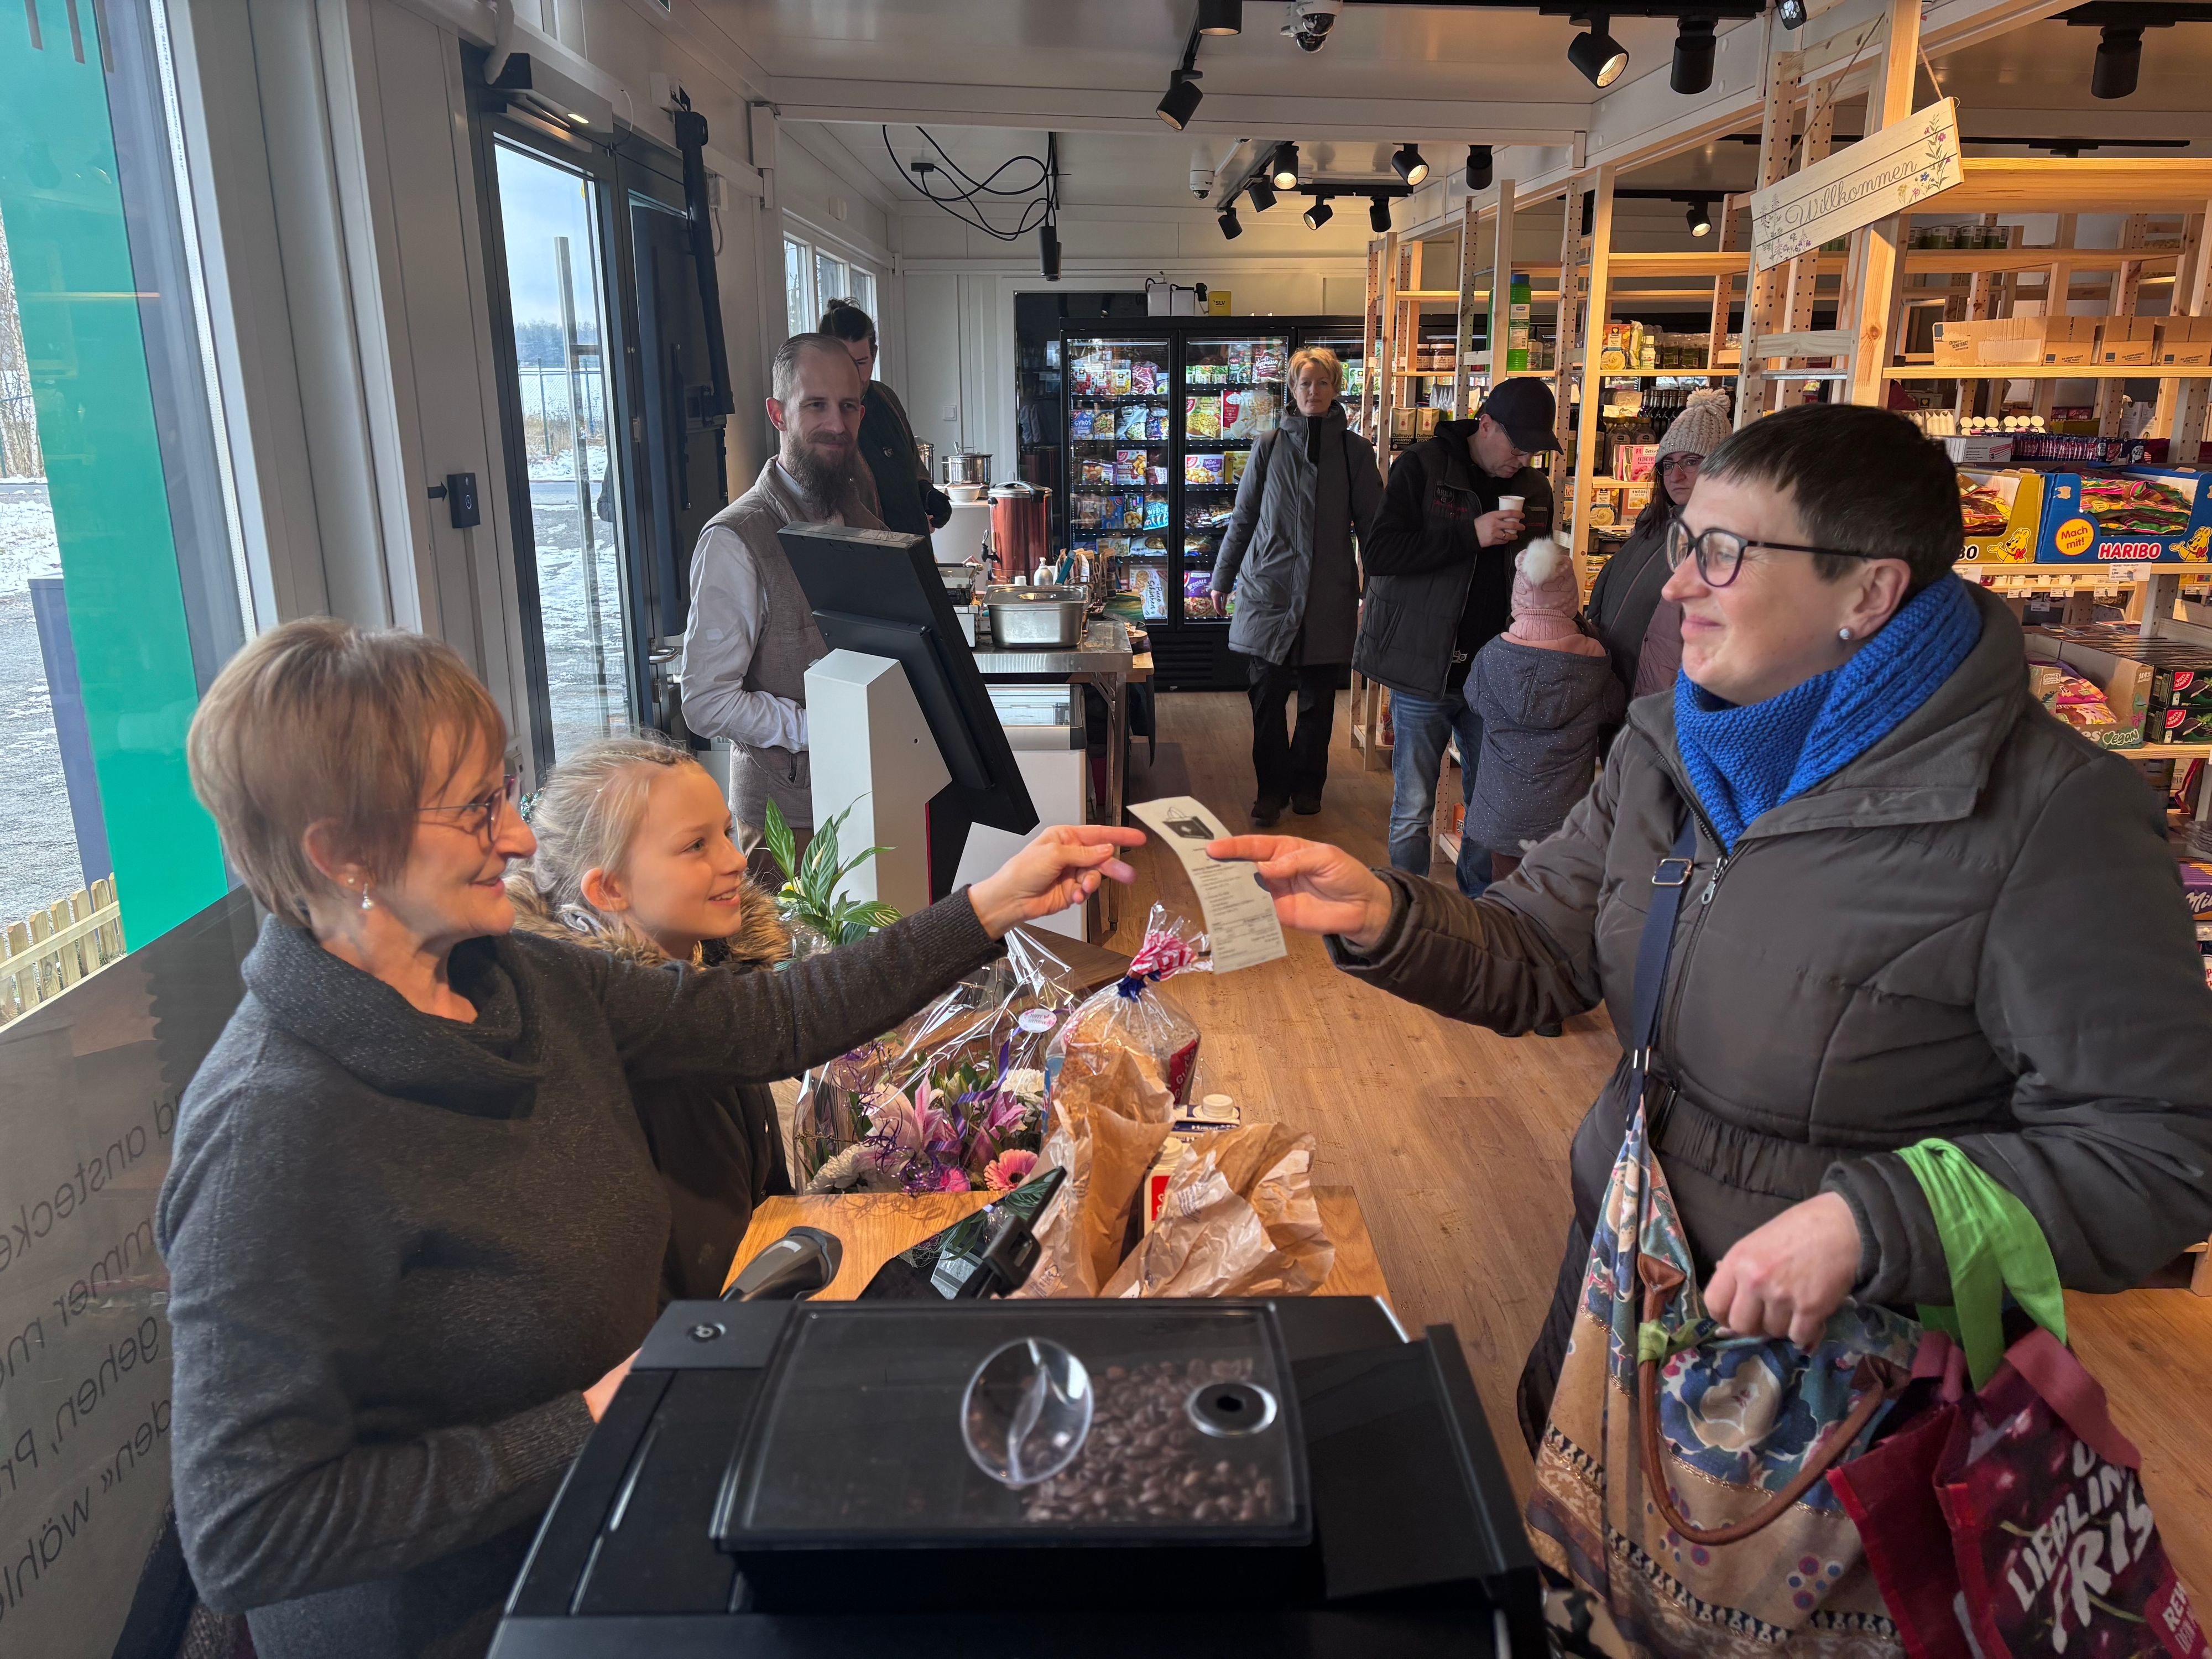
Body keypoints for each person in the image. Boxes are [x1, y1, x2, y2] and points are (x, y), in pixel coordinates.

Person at [1213, 403, 2212, 1458]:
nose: (1680, 582)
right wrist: (1391, 914)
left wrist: (1877, 1222)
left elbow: (2161, 1150)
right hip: (1621, 1287)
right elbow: (1545, 948)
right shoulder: (1667, 749)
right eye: (1688, 541)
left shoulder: (2054, 816)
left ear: (1869, 593)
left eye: (1725, 554)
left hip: (1845, 1408)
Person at [159, 618, 1143, 1659]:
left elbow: (765, 1024)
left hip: (619, 1525)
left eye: (509, 791)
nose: (522, 838)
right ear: (342, 853)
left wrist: (987, 905)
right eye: (479, 808)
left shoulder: (521, 983)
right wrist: (583, 1423)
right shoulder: (271, 1129)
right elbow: (245, 1531)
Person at [508, 733, 792, 1306]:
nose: (737, 860)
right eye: (696, 846)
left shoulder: (715, 978)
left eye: (727, 834)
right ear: (609, 888)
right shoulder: (619, 1059)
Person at [680, 333, 881, 874]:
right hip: (781, 828)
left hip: (872, 806)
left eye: (847, 407)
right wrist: (818, 728)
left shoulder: (867, 528)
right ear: (777, 413)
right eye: (815, 405)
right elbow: (705, 703)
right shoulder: (735, 539)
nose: (836, 425)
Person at [1355, 377, 1559, 896]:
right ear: (1485, 424)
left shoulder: (1535, 491)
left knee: (1486, 807)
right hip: (1425, 668)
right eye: (1518, 446)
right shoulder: (1422, 466)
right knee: (1413, 807)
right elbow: (1381, 555)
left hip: (1496, 675)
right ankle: (1408, 910)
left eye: (1535, 450)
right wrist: (1471, 535)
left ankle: (1475, 916)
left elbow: (1536, 581)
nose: (1524, 460)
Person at [1210, 345, 1383, 825]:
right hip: (1271, 589)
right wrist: (1223, 577)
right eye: (1305, 383)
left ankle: (1309, 785)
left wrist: (1378, 591)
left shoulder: (1354, 451)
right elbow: (1243, 519)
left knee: (1318, 699)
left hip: (1329, 593)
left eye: (1323, 382)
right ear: (1292, 389)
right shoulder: (1268, 446)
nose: (1314, 391)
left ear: (1335, 389)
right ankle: (1270, 791)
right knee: (1265, 697)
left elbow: (1372, 527)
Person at [1462, 538, 1623, 884]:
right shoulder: (1593, 663)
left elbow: (1474, 700)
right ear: (1571, 598)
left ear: (1518, 596)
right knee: (1554, 901)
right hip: (1564, 816)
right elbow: (1613, 707)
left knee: (1504, 895)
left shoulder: (1492, 657)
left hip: (1502, 809)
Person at [1586, 386, 1731, 702]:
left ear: (1722, 467)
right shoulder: (1655, 525)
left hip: (1657, 704)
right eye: (1667, 465)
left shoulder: (1724, 543)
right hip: (1617, 688)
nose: (1676, 475)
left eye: (1692, 462)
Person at [820, 297, 952, 539]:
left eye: (861, 363)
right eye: (843, 362)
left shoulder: (885, 398)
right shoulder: (819, 419)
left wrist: (927, 494)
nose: (853, 374)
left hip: (915, 546)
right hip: (866, 556)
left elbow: (911, 466)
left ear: (874, 354)